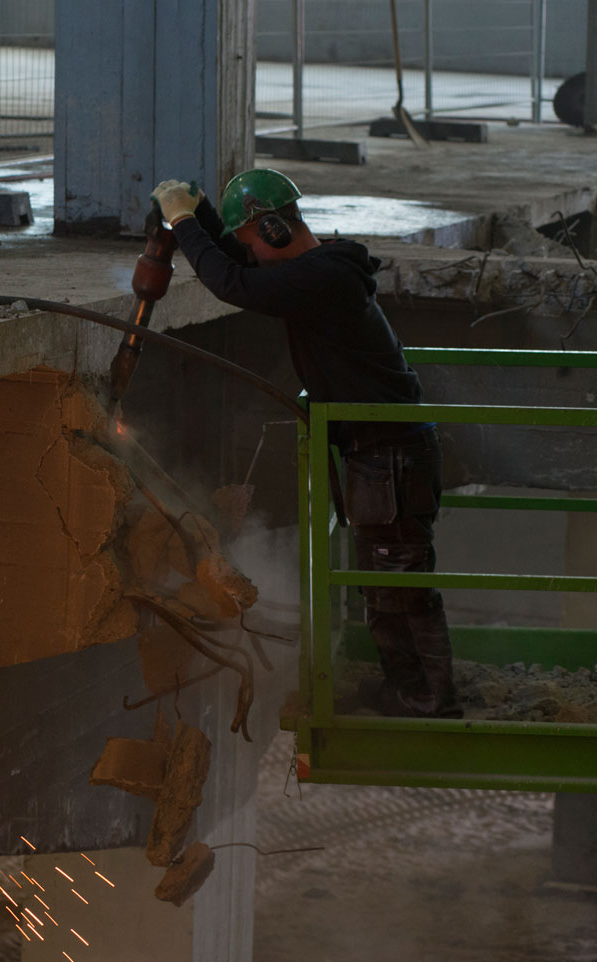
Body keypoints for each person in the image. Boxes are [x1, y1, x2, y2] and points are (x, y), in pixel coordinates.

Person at [151, 167, 460, 719]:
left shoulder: (320, 280)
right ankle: (413, 690)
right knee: (384, 587)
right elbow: (241, 264)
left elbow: (233, 283)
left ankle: (430, 699)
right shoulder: (320, 271)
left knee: (398, 586)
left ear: (273, 230)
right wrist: (201, 217)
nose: (251, 251)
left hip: (390, 456)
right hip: (385, 452)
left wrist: (182, 223)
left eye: (253, 239)